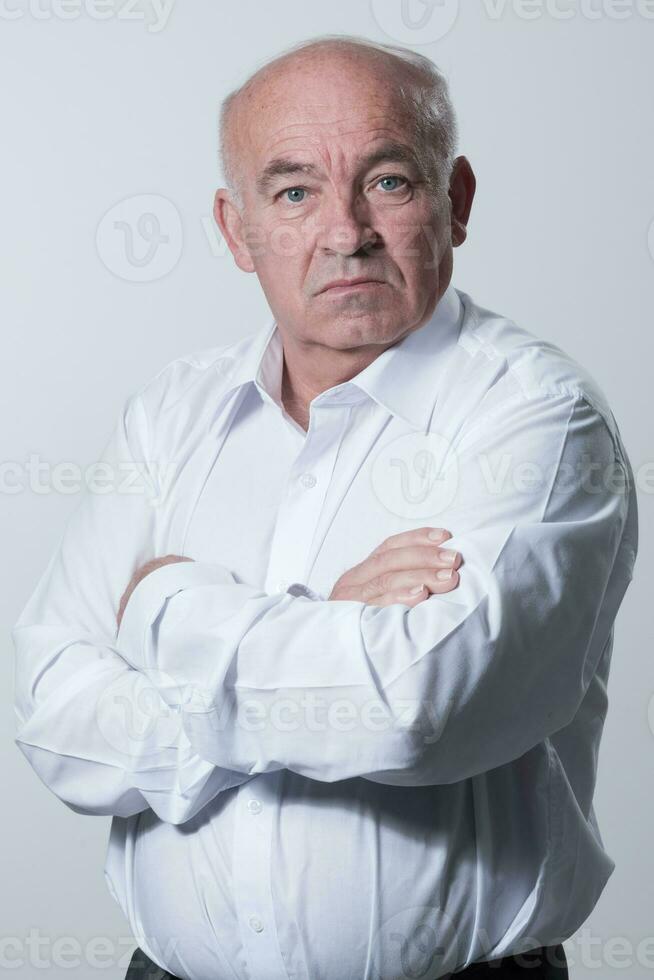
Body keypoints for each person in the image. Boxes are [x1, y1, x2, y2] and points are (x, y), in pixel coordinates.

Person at [13, 33, 638, 980]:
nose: (345, 232)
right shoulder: (170, 415)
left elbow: (417, 710)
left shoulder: (540, 415)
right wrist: (330, 623)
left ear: (456, 201)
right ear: (236, 230)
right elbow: (54, 721)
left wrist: (163, 609)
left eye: (388, 181)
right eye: (294, 191)